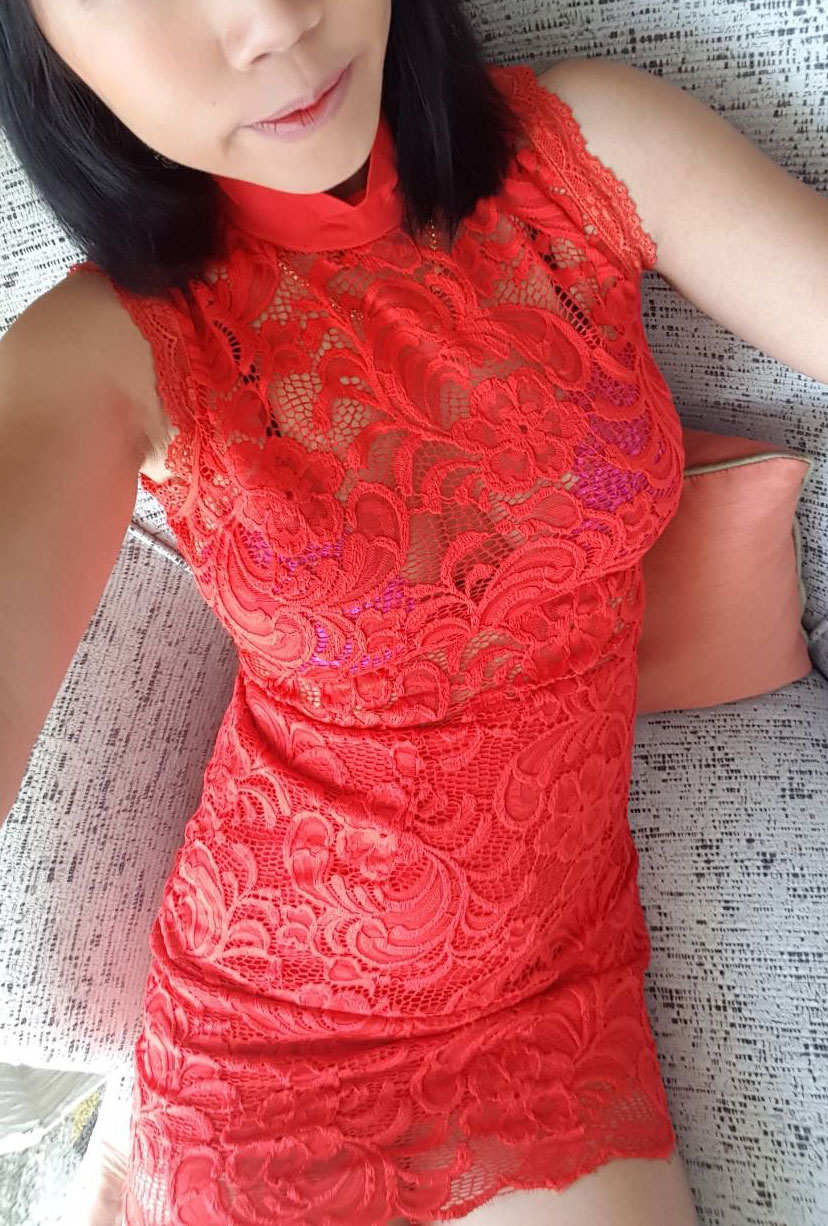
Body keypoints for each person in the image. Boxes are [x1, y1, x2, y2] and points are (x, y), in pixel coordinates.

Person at [2, 1, 826, 1223]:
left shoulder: (585, 152)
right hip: (272, 1037)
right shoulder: (105, 348)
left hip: (557, 993)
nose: (271, 21)